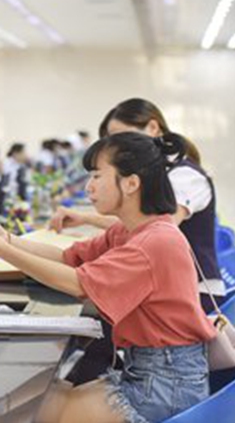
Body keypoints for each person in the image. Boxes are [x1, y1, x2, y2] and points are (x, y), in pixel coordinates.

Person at [0, 132, 215, 423]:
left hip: (166, 387)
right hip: (150, 373)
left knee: (41, 412)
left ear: (132, 183)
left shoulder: (153, 242)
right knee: (41, 401)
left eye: (96, 176)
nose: (89, 187)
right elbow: (68, 258)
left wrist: (3, 251)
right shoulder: (130, 230)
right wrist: (7, 239)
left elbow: (78, 284)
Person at [51, 97, 223, 312]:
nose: (117, 147)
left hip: (197, 292)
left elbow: (158, 226)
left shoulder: (185, 175)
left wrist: (88, 220)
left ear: (152, 127)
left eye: (122, 137)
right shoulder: (158, 171)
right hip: (166, 284)